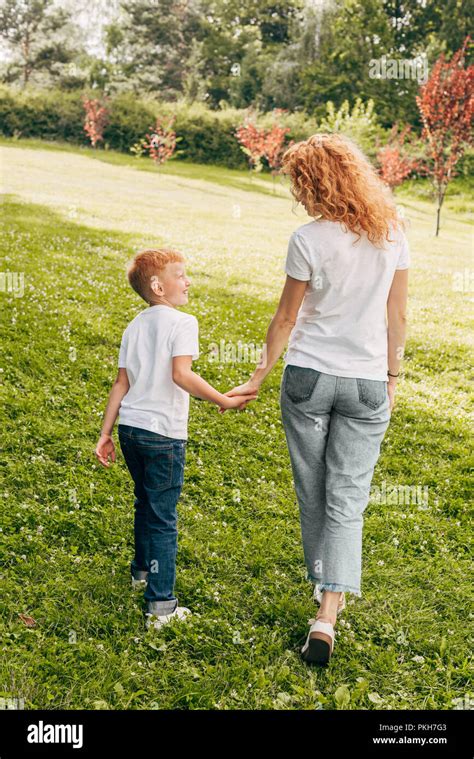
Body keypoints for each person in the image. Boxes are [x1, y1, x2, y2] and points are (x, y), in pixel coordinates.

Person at [222, 133, 409, 665]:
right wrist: (393, 377)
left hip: (307, 378)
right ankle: (328, 613)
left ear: (313, 183)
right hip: (367, 382)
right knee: (347, 497)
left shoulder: (307, 239)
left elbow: (286, 318)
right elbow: (398, 315)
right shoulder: (393, 231)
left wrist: (259, 373)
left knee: (314, 490)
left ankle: (324, 585)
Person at [94, 249, 257, 630]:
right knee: (163, 517)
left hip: (131, 429)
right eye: (181, 276)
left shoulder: (134, 326)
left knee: (145, 502)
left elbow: (122, 382)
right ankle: (161, 607)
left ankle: (141, 572)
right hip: (163, 434)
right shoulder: (183, 322)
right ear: (158, 286)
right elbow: (181, 375)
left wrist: (105, 433)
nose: (188, 282)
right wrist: (224, 400)